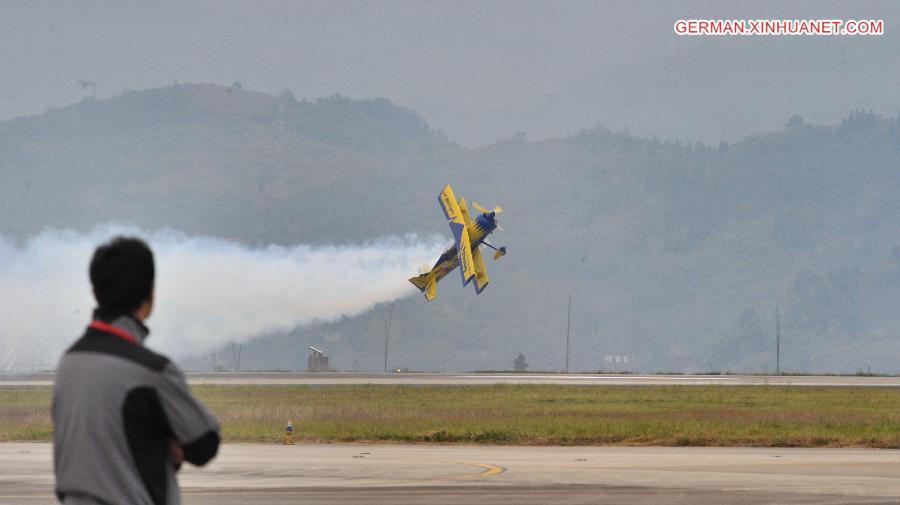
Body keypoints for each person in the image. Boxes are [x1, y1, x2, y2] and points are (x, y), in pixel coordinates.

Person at [53, 237, 220, 505]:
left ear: (94, 291)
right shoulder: (151, 370)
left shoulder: (68, 363)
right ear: (150, 295)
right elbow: (204, 445)